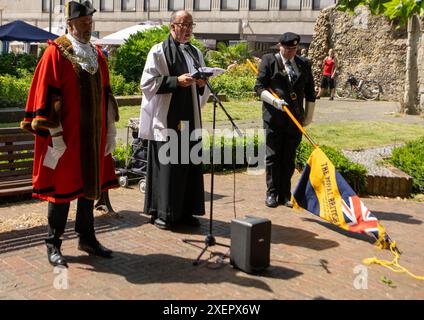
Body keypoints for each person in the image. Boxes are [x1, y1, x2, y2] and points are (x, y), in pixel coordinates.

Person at [20, 1, 119, 267]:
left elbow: (107, 94)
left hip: (93, 137)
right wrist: (56, 137)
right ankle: (53, 244)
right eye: (84, 23)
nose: (88, 27)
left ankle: (87, 238)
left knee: (88, 191)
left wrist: (110, 128)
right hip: (65, 139)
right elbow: (46, 97)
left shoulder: (97, 55)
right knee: (61, 193)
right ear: (71, 24)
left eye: (90, 22)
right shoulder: (56, 53)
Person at [138, 10, 210, 230]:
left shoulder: (195, 52)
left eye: (190, 25)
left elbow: (203, 85)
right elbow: (147, 83)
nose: (187, 29)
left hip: (190, 118)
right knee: (169, 167)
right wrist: (176, 81)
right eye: (183, 24)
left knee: (187, 165)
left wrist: (201, 84)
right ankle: (164, 213)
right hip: (167, 118)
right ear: (172, 27)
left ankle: (186, 212)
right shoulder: (158, 51)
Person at [254, 32, 316, 208]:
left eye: (294, 49)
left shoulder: (304, 63)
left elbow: (310, 92)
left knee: (289, 157)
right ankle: (272, 193)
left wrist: (308, 118)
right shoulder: (269, 61)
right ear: (280, 46)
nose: (290, 53)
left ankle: (285, 194)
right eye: (287, 49)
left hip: (295, 120)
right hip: (274, 119)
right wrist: (274, 101)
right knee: (273, 157)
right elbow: (258, 87)